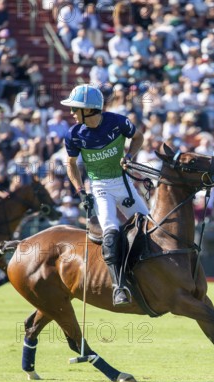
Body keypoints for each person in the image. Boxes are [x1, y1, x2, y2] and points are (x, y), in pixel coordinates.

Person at [61, 84, 149, 306]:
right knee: (110, 230)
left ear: (89, 110)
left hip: (124, 182)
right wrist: (81, 191)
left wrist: (129, 156)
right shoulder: (74, 134)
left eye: (75, 109)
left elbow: (138, 137)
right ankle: (118, 286)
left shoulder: (117, 122)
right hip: (100, 186)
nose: (72, 113)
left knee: (148, 227)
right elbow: (70, 164)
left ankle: (149, 273)